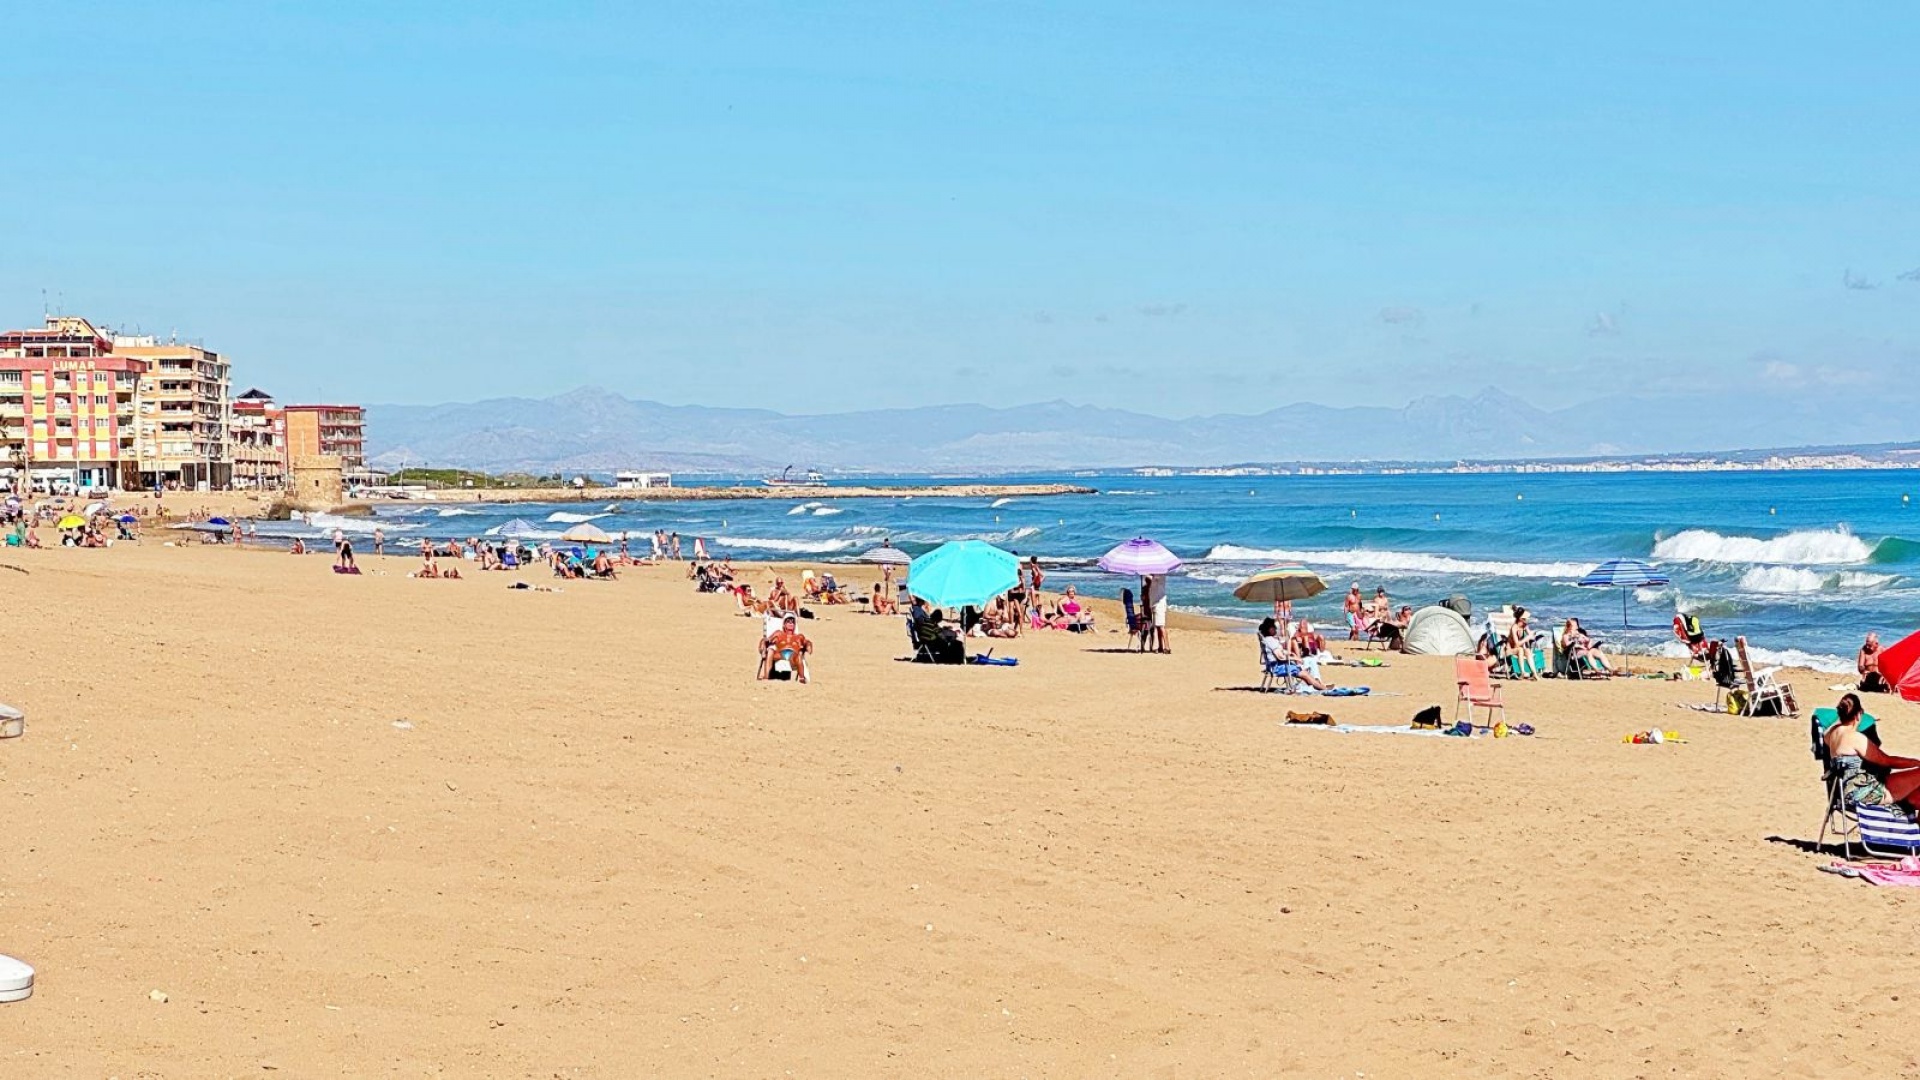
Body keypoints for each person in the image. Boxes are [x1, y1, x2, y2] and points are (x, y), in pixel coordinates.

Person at [1824, 693, 1920, 810]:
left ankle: (1912, 804)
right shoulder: (1855, 738)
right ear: (1858, 715)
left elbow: (1833, 729)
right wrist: (1915, 763)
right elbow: (1886, 761)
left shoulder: (1831, 734)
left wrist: (1843, 717)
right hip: (1864, 794)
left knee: (1913, 795)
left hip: (1845, 794)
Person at [759, 614, 812, 683]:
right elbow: (766, 640)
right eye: (788, 621)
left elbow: (807, 642)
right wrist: (763, 647)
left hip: (793, 655)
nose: (791, 623)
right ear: (784, 624)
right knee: (771, 651)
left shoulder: (799, 636)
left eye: (793, 621)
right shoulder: (779, 633)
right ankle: (766, 676)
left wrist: (808, 646)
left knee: (799, 656)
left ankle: (801, 678)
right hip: (780, 654)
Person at [1142, 572, 1170, 653]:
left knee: (1161, 626)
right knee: (1157, 626)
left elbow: (1149, 578)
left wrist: (1147, 574)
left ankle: (1167, 647)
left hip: (1159, 604)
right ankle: (1160, 646)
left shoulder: (1160, 576)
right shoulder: (1155, 577)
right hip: (1154, 604)